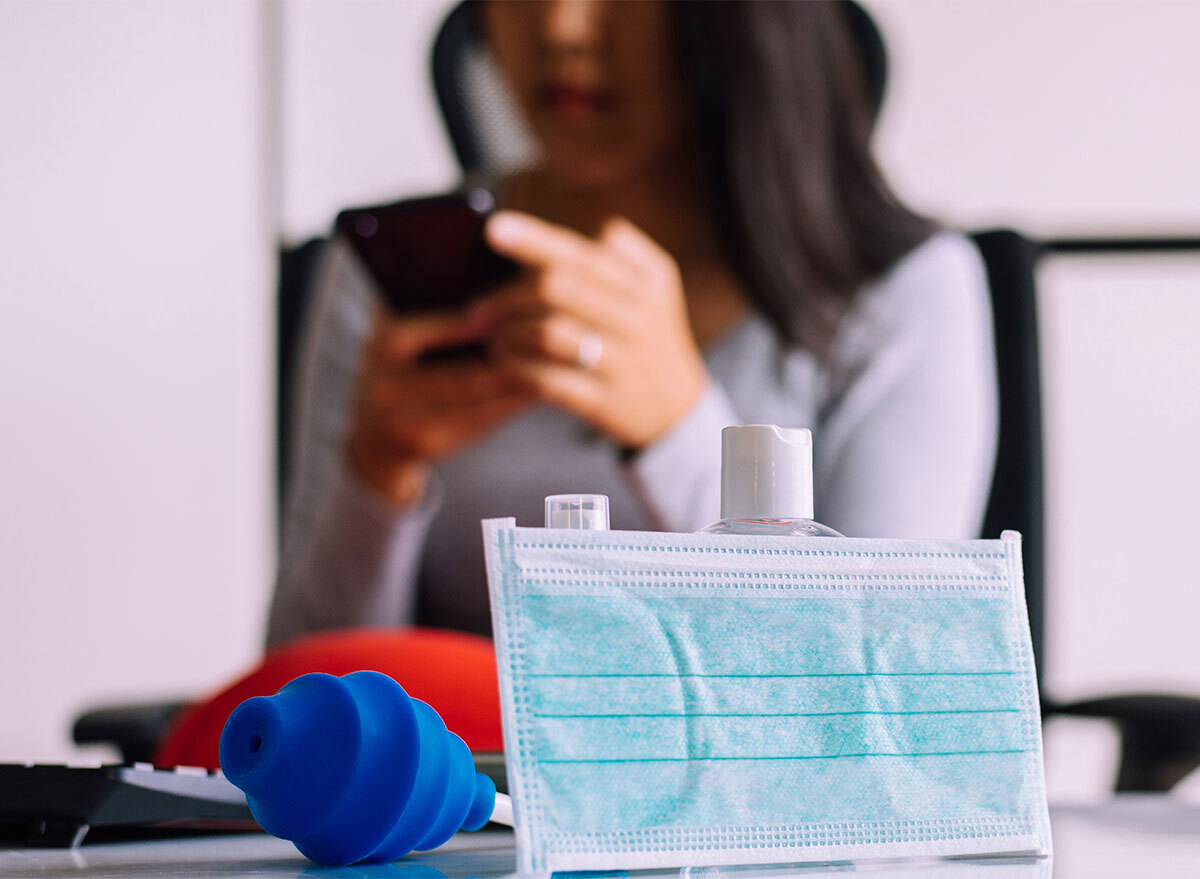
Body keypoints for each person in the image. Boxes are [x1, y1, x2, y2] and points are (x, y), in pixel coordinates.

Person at [266, 0, 998, 647]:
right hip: (465, 798)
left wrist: (678, 429)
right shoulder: (398, 269)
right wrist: (376, 474)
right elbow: (293, 698)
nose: (563, 25)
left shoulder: (909, 287)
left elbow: (882, 681)